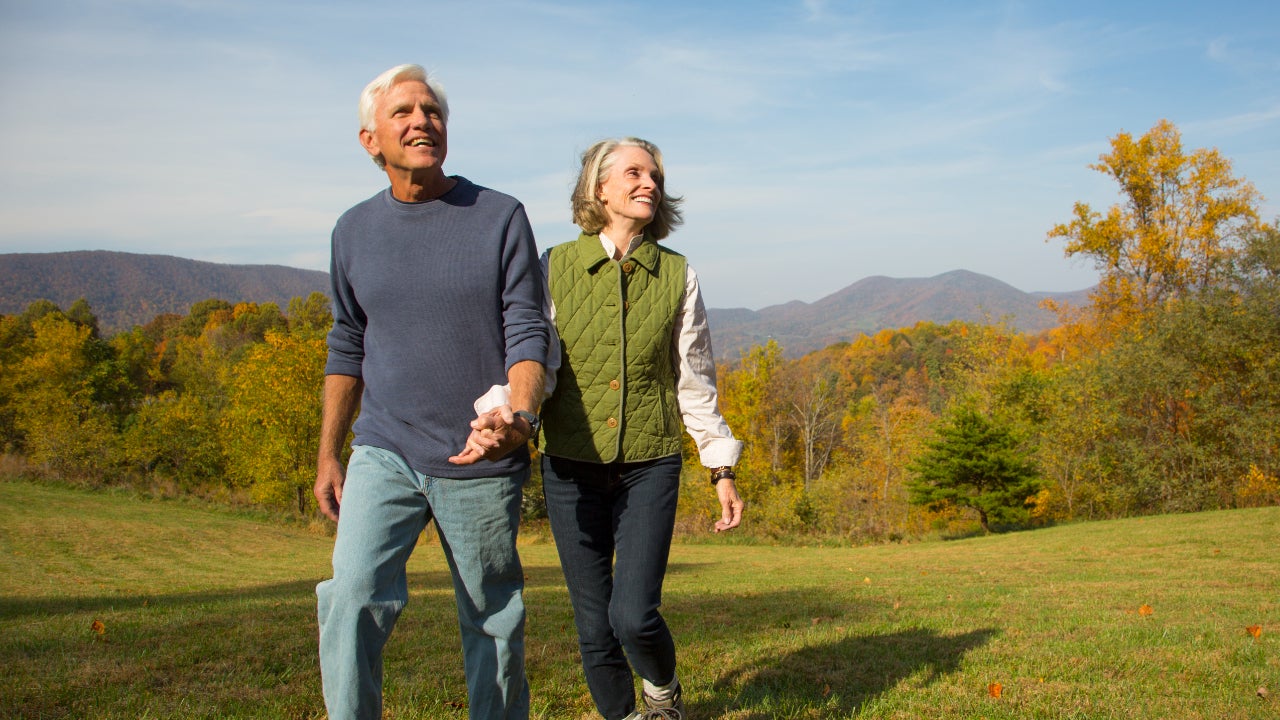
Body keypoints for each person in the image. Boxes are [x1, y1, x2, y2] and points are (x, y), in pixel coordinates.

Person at [313, 63, 548, 720]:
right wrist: (329, 452)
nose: (422, 121)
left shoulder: (499, 217)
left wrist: (520, 415)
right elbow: (346, 343)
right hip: (383, 447)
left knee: (492, 618)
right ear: (370, 141)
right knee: (352, 596)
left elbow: (527, 330)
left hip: (481, 455)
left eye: (432, 111)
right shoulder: (352, 231)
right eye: (404, 113)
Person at [539, 137, 745, 720]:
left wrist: (720, 467)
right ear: (598, 188)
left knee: (632, 614)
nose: (649, 183)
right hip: (568, 466)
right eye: (634, 173)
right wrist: (507, 413)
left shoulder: (679, 274)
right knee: (593, 622)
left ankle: (661, 690)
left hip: (649, 465)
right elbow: (534, 363)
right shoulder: (552, 266)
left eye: (654, 174)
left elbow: (695, 380)